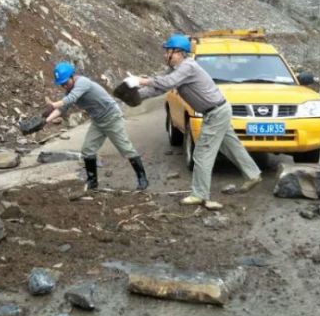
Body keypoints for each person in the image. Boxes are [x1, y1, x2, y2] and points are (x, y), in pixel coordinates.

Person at [134, 34, 261, 210]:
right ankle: (253, 174)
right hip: (218, 111)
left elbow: (167, 82)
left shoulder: (188, 66)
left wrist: (141, 80)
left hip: (215, 113)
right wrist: (135, 97)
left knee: (202, 154)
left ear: (177, 52)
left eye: (167, 51)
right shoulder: (176, 69)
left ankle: (200, 195)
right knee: (231, 145)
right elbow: (159, 87)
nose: (164, 55)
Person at [45, 61, 148, 191]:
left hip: (112, 117)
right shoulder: (69, 91)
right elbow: (63, 108)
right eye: (62, 84)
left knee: (126, 149)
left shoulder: (82, 83)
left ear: (72, 76)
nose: (65, 86)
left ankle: (142, 178)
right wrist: (46, 120)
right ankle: (92, 182)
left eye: (66, 82)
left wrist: (53, 104)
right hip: (98, 121)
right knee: (88, 150)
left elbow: (71, 98)